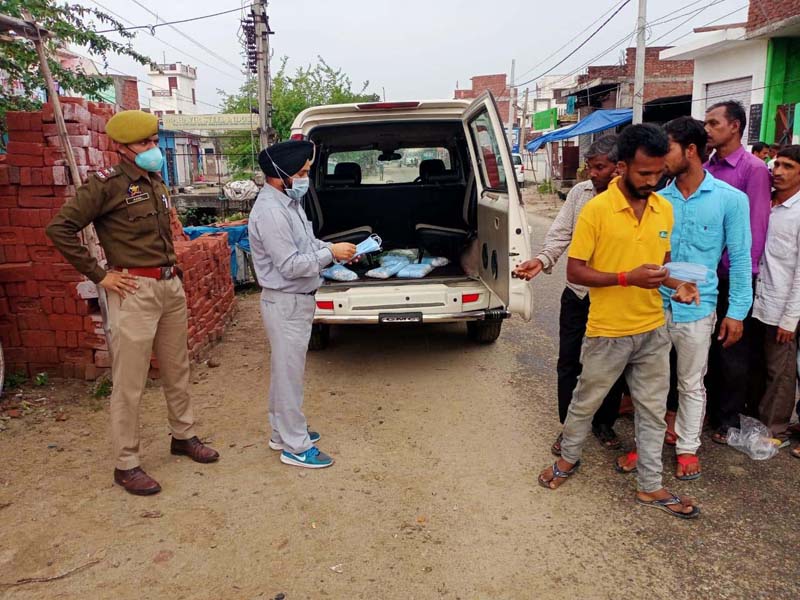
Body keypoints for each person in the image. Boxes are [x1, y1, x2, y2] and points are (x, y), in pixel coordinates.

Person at [46, 110, 219, 496]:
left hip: (168, 286)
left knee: (177, 369)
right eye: (144, 143)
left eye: (154, 141)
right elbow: (60, 228)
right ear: (121, 147)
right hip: (133, 289)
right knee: (130, 381)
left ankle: (183, 435)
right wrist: (100, 275)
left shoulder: (154, 180)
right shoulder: (106, 184)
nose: (153, 148)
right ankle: (126, 463)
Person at [536, 123, 701, 519]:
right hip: (608, 331)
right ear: (622, 167)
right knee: (585, 401)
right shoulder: (595, 210)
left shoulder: (663, 208)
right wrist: (628, 278)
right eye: (644, 173)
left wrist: (678, 283)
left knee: (652, 411)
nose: (652, 181)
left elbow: (658, 266)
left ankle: (650, 485)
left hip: (653, 330)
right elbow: (576, 271)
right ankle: (567, 459)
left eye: (658, 172)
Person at [248, 140, 356, 469]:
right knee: (289, 375)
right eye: (302, 173)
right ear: (281, 174)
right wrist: (330, 254)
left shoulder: (289, 203)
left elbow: (308, 244)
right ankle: (295, 445)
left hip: (295, 301)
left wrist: (334, 251)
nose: (306, 179)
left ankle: (281, 433)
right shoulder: (271, 212)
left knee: (285, 372)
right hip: (286, 301)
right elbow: (291, 265)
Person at [514, 136, 625, 454]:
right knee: (569, 361)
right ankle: (570, 427)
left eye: (599, 167)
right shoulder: (580, 193)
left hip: (614, 297)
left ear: (618, 167)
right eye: (590, 167)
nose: (592, 173)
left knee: (612, 364)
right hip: (578, 293)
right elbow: (561, 232)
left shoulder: (631, 200)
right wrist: (542, 260)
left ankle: (604, 423)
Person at [656, 117, 752, 480]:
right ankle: (650, 442)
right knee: (652, 382)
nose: (660, 157)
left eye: (666, 149)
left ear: (691, 150)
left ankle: (687, 448)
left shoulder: (731, 200)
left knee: (691, 382)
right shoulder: (657, 200)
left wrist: (737, 312)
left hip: (699, 309)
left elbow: (740, 259)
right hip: (654, 304)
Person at [703, 100, 772, 444]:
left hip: (733, 274)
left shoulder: (752, 169)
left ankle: (727, 419)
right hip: (704, 275)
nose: (707, 129)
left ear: (735, 127)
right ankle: (707, 410)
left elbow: (755, 227)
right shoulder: (706, 167)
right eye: (706, 123)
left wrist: (739, 276)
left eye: (713, 123)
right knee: (707, 346)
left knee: (732, 348)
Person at [752, 145, 800, 447]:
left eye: (788, 167)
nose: (777, 171)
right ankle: (757, 420)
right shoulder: (765, 202)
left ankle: (774, 430)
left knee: (780, 372)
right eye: (777, 164)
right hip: (758, 300)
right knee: (760, 367)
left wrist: (790, 318)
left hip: (782, 306)